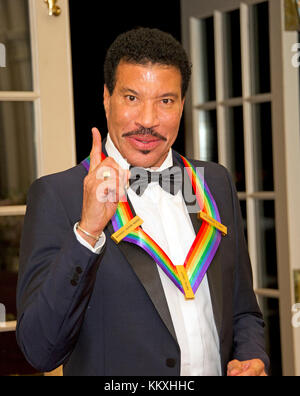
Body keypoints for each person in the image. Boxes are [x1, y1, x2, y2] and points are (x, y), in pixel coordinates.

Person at [16, 28, 269, 376]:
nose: (147, 121)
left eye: (165, 101)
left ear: (182, 104)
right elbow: (39, 350)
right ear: (106, 98)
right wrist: (87, 232)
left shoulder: (215, 183)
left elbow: (244, 311)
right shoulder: (58, 196)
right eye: (132, 98)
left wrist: (253, 356)